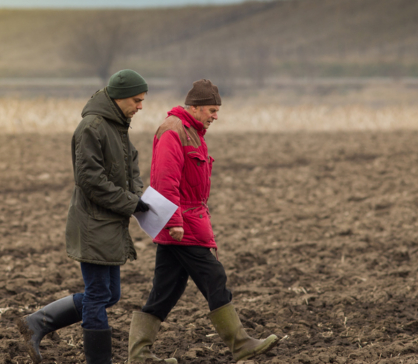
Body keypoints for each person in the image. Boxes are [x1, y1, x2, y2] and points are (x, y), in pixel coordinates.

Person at [127, 79, 282, 363]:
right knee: (214, 277)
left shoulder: (193, 133)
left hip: (187, 223)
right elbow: (164, 181)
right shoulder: (173, 131)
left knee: (166, 291)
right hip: (180, 226)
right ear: (195, 108)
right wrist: (174, 222)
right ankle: (241, 344)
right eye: (212, 110)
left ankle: (139, 356)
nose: (215, 116)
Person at [18, 69, 152, 364]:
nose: (141, 106)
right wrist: (131, 202)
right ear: (118, 98)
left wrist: (138, 197)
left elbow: (132, 171)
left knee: (110, 295)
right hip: (93, 224)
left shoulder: (118, 125)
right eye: (137, 100)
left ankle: (37, 322)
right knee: (97, 296)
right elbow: (90, 180)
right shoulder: (91, 127)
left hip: (110, 223)